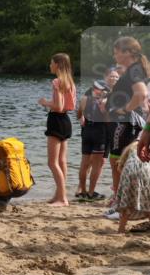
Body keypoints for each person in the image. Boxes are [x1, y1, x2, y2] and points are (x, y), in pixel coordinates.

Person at [104, 37, 150, 221]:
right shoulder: (134, 69)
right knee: (121, 162)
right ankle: (120, 204)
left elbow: (141, 93)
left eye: (117, 52)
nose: (114, 55)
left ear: (128, 53)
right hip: (126, 122)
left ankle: (121, 206)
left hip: (127, 122)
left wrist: (125, 109)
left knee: (118, 162)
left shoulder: (134, 70)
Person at [38, 53, 76, 206]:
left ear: (58, 65)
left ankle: (62, 198)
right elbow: (69, 106)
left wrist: (45, 102)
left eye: (51, 63)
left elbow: (58, 106)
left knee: (52, 163)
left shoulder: (57, 81)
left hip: (56, 120)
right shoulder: (70, 82)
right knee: (62, 161)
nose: (50, 65)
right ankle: (59, 195)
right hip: (66, 121)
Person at [76, 68, 117, 200]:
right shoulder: (104, 100)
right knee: (97, 165)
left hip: (87, 131)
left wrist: (83, 119)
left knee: (84, 163)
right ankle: (91, 193)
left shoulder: (85, 98)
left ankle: (82, 191)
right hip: (100, 133)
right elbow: (107, 120)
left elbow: (78, 113)